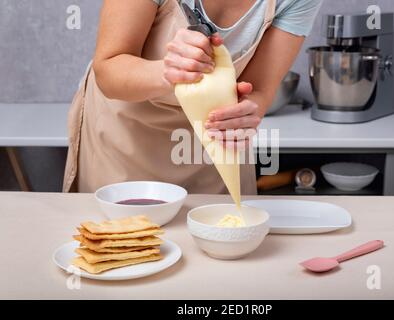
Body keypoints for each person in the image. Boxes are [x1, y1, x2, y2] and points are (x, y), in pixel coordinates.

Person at [63, 0, 322, 194]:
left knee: (223, 247)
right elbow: (109, 70)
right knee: (123, 250)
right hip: (126, 136)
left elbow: (258, 89)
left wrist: (250, 109)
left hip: (213, 144)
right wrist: (166, 72)